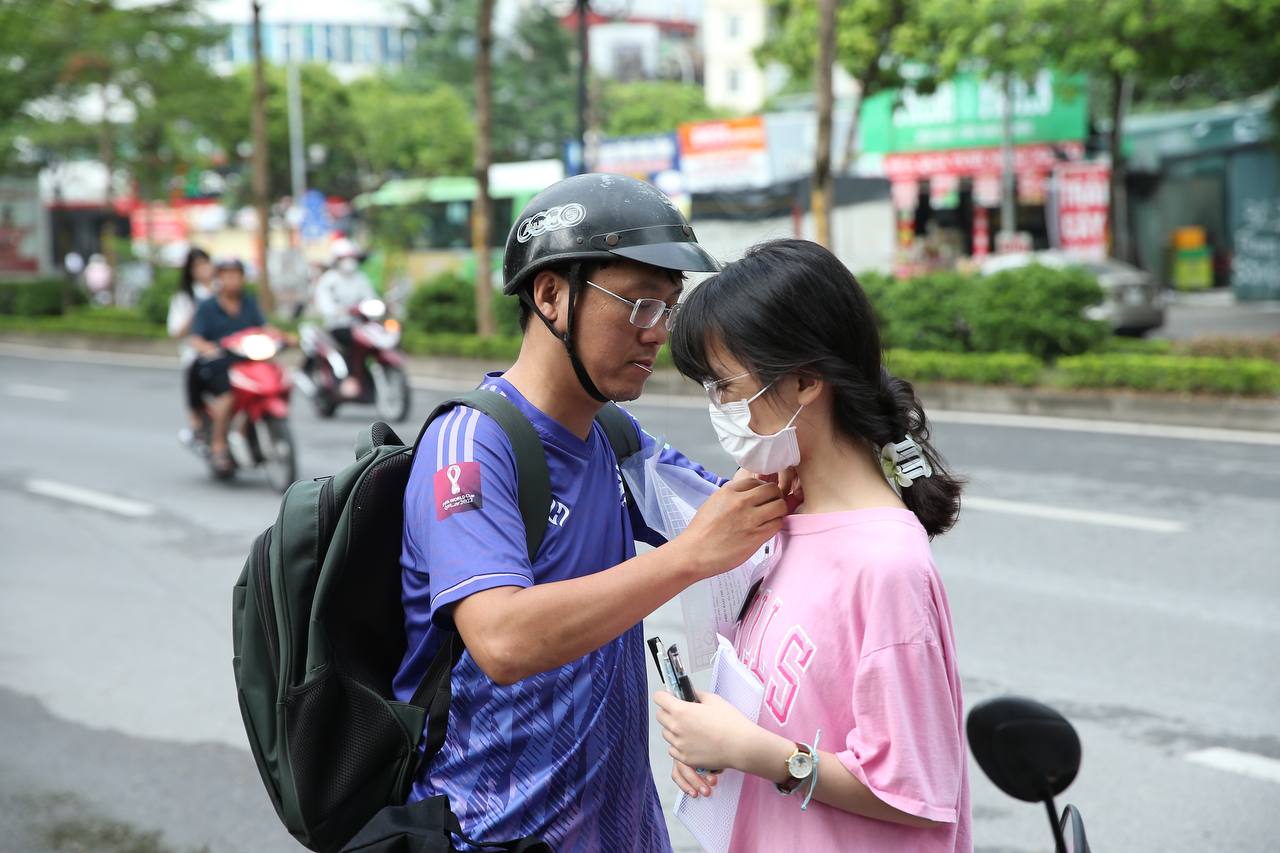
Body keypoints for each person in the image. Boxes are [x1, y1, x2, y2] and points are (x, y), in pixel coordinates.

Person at [392, 175, 794, 851]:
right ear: (550, 294)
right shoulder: (469, 445)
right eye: (639, 305)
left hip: (622, 831)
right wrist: (687, 556)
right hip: (498, 835)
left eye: (668, 308)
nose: (658, 334)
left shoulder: (614, 436)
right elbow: (502, 641)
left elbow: (744, 518)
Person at [654, 239, 972, 852]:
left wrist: (751, 750)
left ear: (803, 380)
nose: (719, 408)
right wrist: (716, 742)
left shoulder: (885, 564)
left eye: (724, 386)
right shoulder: (782, 521)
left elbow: (916, 789)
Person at [189, 259, 267, 475]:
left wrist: (282, 337)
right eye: (226, 274)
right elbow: (195, 339)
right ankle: (218, 445)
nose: (232, 279)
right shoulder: (207, 306)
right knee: (229, 396)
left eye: (236, 274)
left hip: (247, 362)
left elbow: (263, 328)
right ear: (218, 278)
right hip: (219, 363)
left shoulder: (249, 303)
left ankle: (247, 430)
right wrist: (210, 348)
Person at [312, 237, 377, 398]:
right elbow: (324, 303)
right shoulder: (329, 280)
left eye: (351, 257)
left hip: (361, 326)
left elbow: (371, 298)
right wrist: (337, 310)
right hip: (337, 326)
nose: (349, 261)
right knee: (349, 340)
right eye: (344, 258)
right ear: (336, 260)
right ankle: (347, 379)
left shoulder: (361, 279)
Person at [169, 247, 215, 444]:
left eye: (205, 263)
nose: (203, 269)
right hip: (197, 352)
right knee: (193, 368)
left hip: (225, 348)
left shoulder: (222, 290)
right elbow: (176, 332)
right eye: (197, 266)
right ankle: (196, 422)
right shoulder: (185, 298)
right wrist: (196, 312)